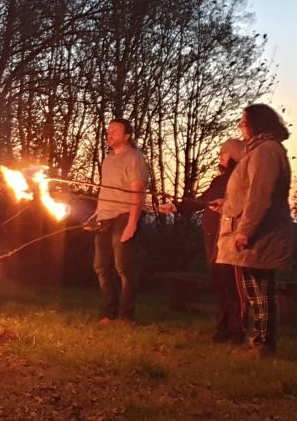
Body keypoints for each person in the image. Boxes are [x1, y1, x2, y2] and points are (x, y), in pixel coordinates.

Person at [216, 104, 294, 357]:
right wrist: (227, 205)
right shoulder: (258, 151)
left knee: (261, 291)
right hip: (255, 231)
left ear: (257, 123)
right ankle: (260, 342)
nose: (240, 126)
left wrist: (245, 231)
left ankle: (263, 344)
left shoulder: (266, 152)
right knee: (255, 291)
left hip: (262, 234)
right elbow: (246, 193)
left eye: (244, 121)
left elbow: (260, 196)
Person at [161, 138, 248, 342]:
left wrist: (226, 204)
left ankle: (237, 332)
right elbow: (202, 201)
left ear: (234, 156)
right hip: (212, 240)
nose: (220, 156)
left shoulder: (243, 179)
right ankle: (222, 330)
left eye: (224, 152)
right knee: (219, 286)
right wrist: (176, 207)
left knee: (233, 288)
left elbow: (246, 204)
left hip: (230, 238)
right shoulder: (218, 181)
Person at [90, 118, 150, 325]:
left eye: (115, 131)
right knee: (101, 267)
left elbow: (138, 190)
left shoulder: (134, 158)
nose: (109, 134)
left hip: (124, 215)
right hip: (104, 217)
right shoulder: (107, 160)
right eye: (108, 130)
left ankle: (126, 316)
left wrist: (133, 222)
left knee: (123, 267)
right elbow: (106, 190)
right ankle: (110, 313)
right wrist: (95, 216)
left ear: (127, 136)